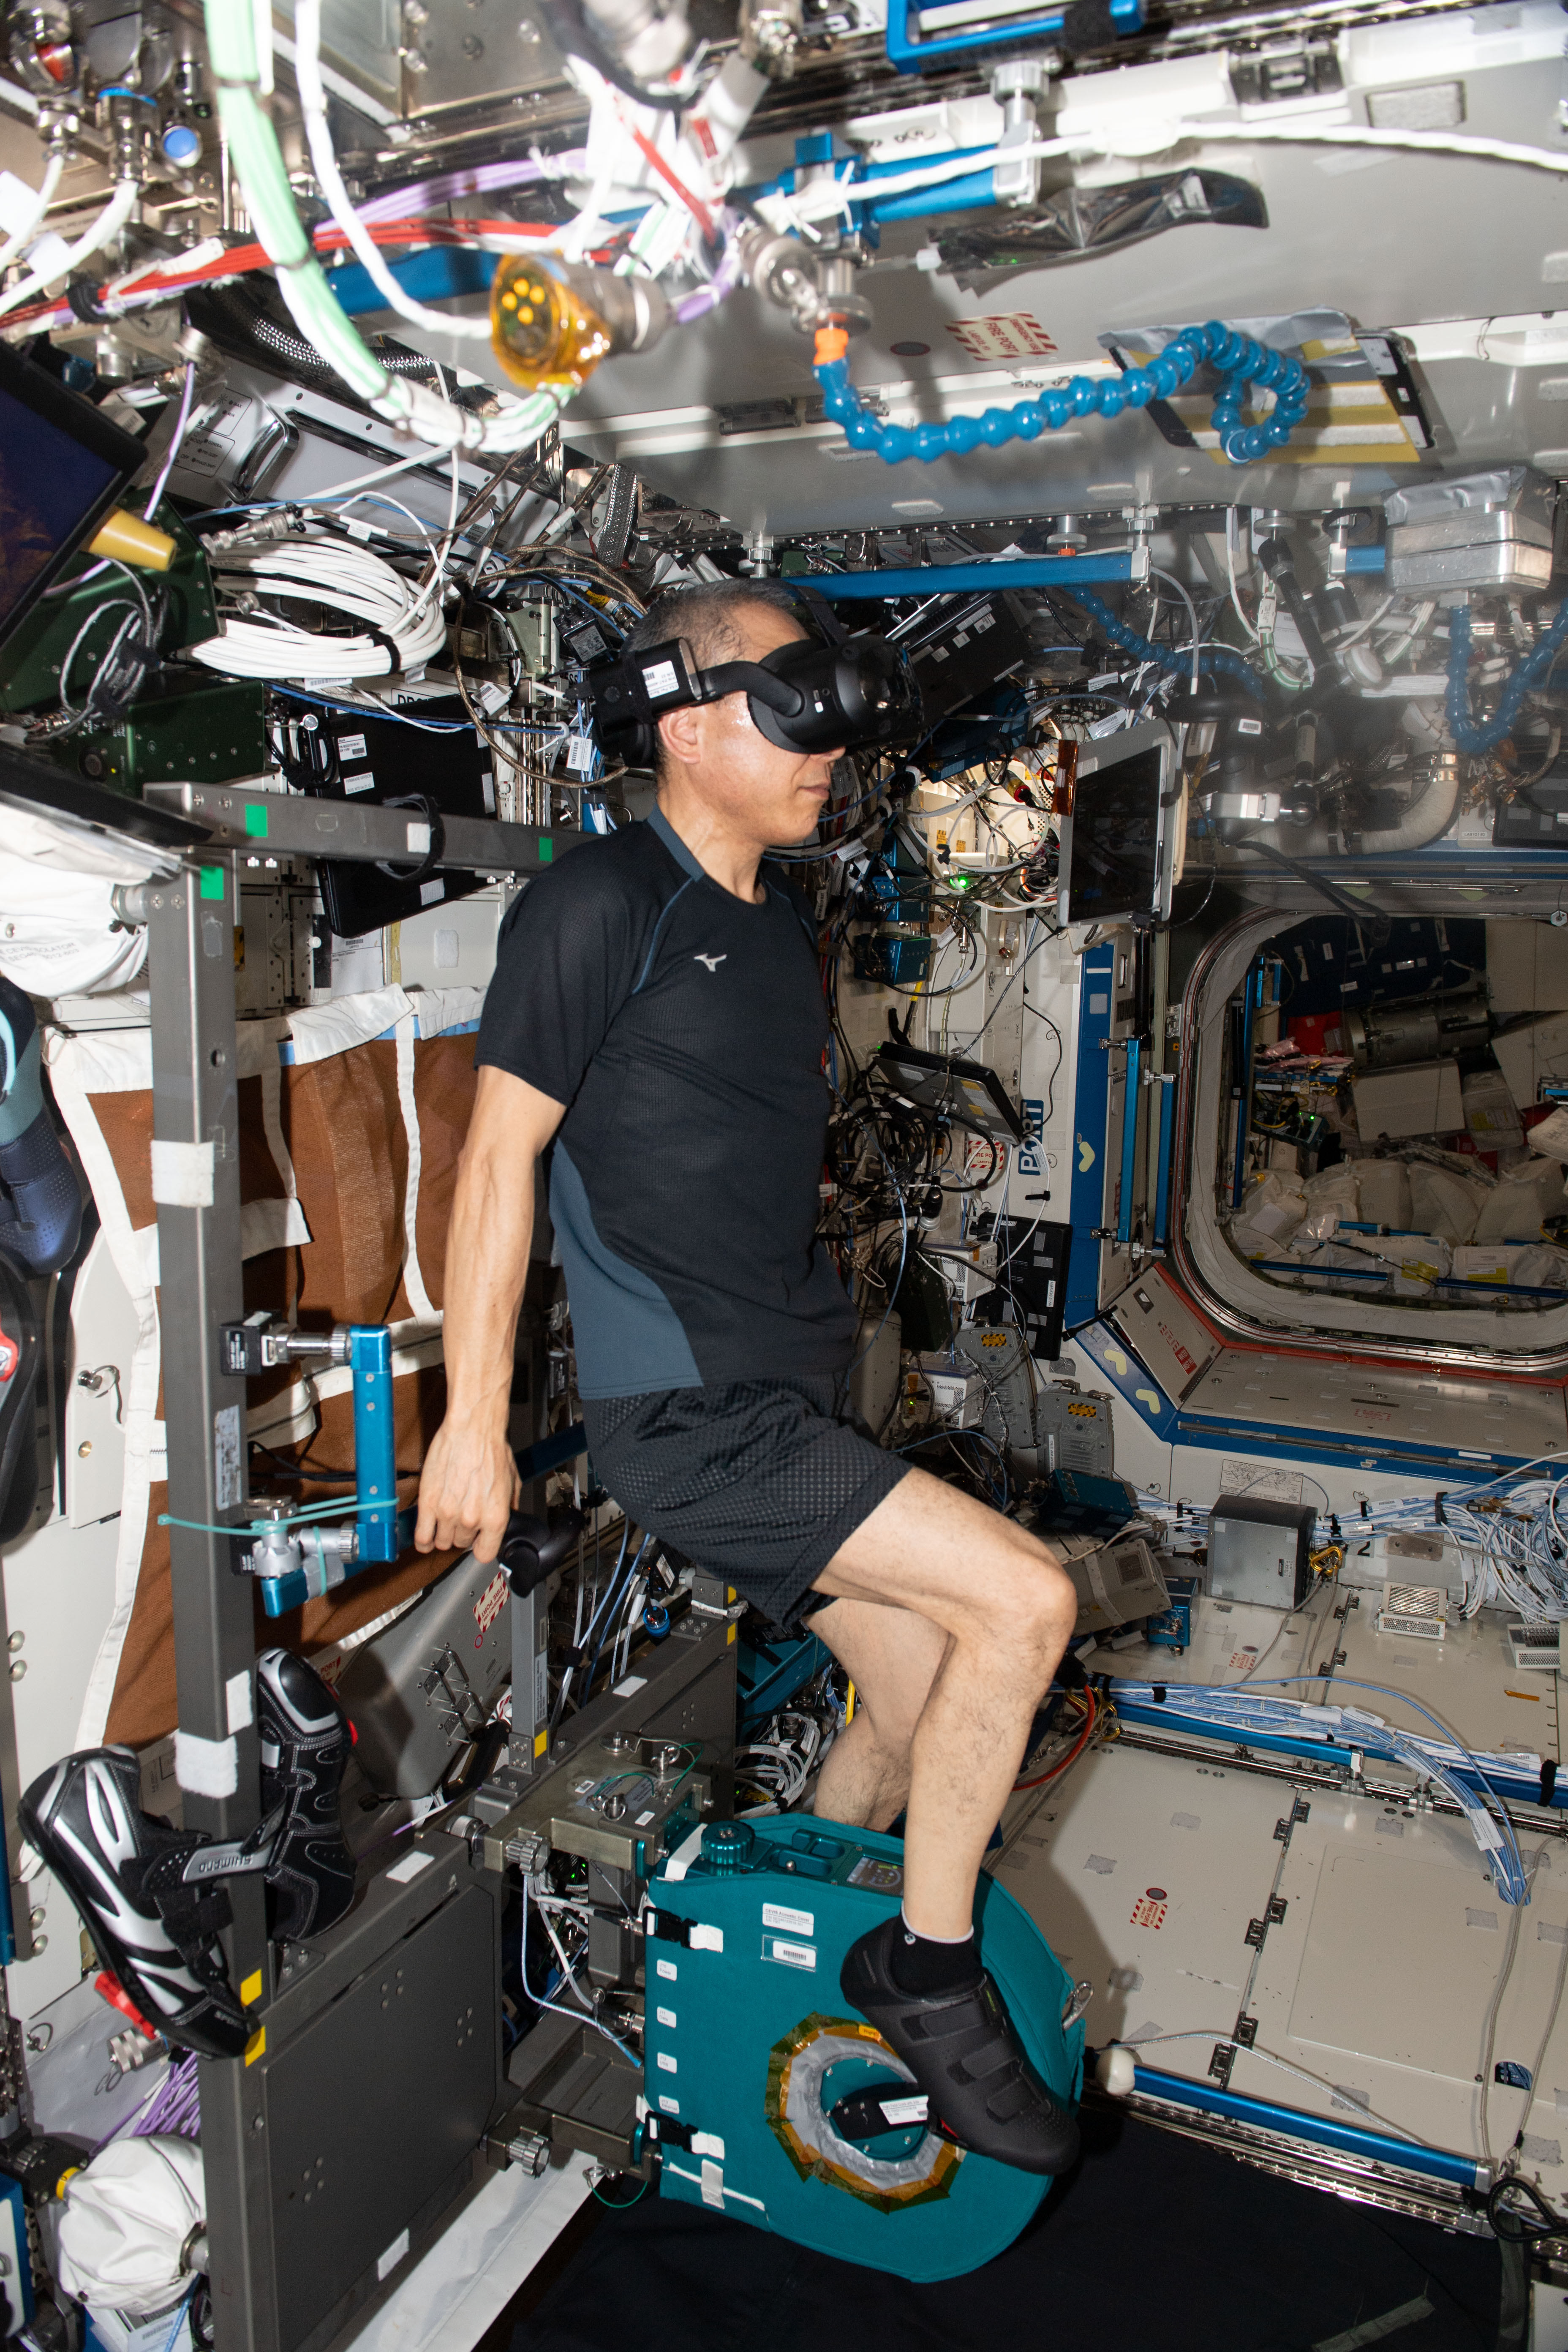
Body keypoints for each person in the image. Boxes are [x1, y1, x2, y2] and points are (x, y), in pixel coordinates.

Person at [415, 577, 1081, 2175]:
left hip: (785, 1397)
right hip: (694, 1421)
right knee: (1027, 1606)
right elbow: (499, 1165)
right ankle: (921, 1975)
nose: (830, 759)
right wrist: (472, 1423)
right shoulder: (595, 902)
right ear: (687, 720)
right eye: (800, 720)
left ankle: (801, 1911)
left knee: (930, 1709)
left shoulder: (779, 924)